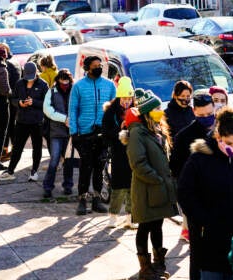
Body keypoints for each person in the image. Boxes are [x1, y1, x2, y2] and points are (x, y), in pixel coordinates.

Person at [125, 88, 178, 280]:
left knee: (158, 225)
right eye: (156, 108)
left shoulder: (157, 128)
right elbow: (137, 163)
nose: (160, 111)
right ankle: (145, 269)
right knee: (145, 226)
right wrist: (156, 179)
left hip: (160, 188)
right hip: (146, 189)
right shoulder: (138, 132)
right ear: (147, 112)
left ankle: (158, 264)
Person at [178, 107, 233, 280]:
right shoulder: (200, 159)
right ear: (218, 137)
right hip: (209, 239)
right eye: (229, 143)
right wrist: (205, 220)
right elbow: (185, 194)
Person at [169, 92, 215, 280]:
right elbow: (176, 170)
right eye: (202, 115)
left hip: (221, 200)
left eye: (210, 114)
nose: (207, 119)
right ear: (194, 111)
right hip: (198, 203)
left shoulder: (223, 130)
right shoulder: (184, 137)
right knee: (197, 252)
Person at [69, 55, 116, 216]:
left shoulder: (109, 85)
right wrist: (73, 132)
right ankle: (82, 199)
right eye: (95, 65)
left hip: (103, 133)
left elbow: (114, 110)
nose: (98, 67)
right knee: (85, 167)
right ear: (87, 68)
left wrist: (112, 130)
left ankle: (96, 199)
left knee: (99, 166)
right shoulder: (78, 86)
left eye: (100, 65)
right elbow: (73, 109)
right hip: (84, 133)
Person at [0, 61, 49, 181]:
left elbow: (47, 104)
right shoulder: (20, 83)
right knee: (17, 147)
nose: (29, 80)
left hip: (37, 121)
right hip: (21, 120)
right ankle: (10, 171)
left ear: (36, 73)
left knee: (37, 147)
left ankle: (34, 171)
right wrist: (19, 103)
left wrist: (34, 102)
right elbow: (13, 99)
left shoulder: (43, 85)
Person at [162, 80, 194, 243]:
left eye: (188, 96)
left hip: (193, 158)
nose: (186, 100)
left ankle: (187, 229)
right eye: (183, 97)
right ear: (175, 96)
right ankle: (187, 229)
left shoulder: (192, 112)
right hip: (178, 160)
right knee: (186, 196)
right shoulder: (167, 113)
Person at [102, 76, 136, 229]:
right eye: (124, 98)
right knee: (118, 186)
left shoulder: (136, 110)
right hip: (117, 152)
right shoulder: (110, 112)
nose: (126, 101)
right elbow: (106, 133)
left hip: (133, 152)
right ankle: (113, 216)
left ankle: (130, 217)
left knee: (132, 185)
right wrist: (119, 128)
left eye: (129, 98)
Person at [42, 68, 74, 198]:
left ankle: (68, 185)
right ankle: (47, 187)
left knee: (69, 161)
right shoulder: (52, 91)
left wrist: (72, 120)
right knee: (54, 160)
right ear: (58, 80)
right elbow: (47, 109)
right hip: (56, 132)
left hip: (71, 132)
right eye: (62, 80)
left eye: (67, 81)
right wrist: (64, 119)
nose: (64, 83)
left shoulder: (74, 91)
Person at [0, 43, 22, 162]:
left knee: (5, 125)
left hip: (7, 98)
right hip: (15, 98)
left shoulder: (5, 66)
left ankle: (5, 150)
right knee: (12, 125)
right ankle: (13, 149)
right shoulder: (15, 62)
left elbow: (5, 84)